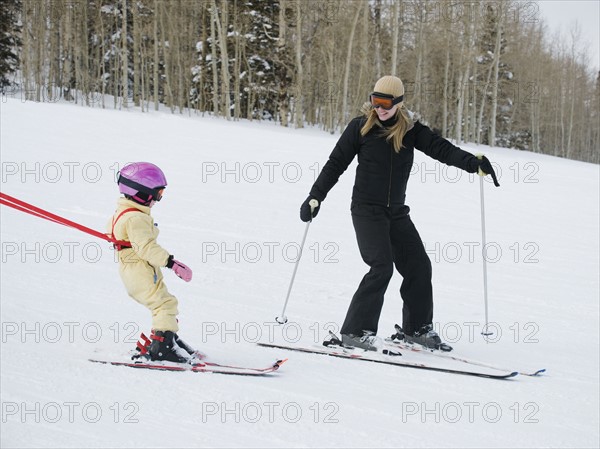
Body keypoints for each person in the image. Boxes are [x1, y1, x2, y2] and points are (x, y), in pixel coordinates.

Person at [300, 76, 499, 352]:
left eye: (386, 103)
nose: (379, 108)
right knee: (381, 266)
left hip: (396, 213)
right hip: (366, 211)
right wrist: (315, 196)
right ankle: (355, 332)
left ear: (399, 103)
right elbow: (335, 164)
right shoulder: (360, 128)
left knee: (418, 265)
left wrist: (472, 163)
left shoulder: (411, 131)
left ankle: (417, 329)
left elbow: (441, 149)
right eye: (375, 101)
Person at [109, 162, 198, 363]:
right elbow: (146, 248)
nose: (159, 199)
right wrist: (172, 263)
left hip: (136, 269)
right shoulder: (136, 218)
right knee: (164, 304)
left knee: (164, 302)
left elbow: (113, 231)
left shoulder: (125, 212)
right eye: (158, 194)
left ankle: (168, 339)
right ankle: (162, 348)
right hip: (139, 270)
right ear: (142, 193)